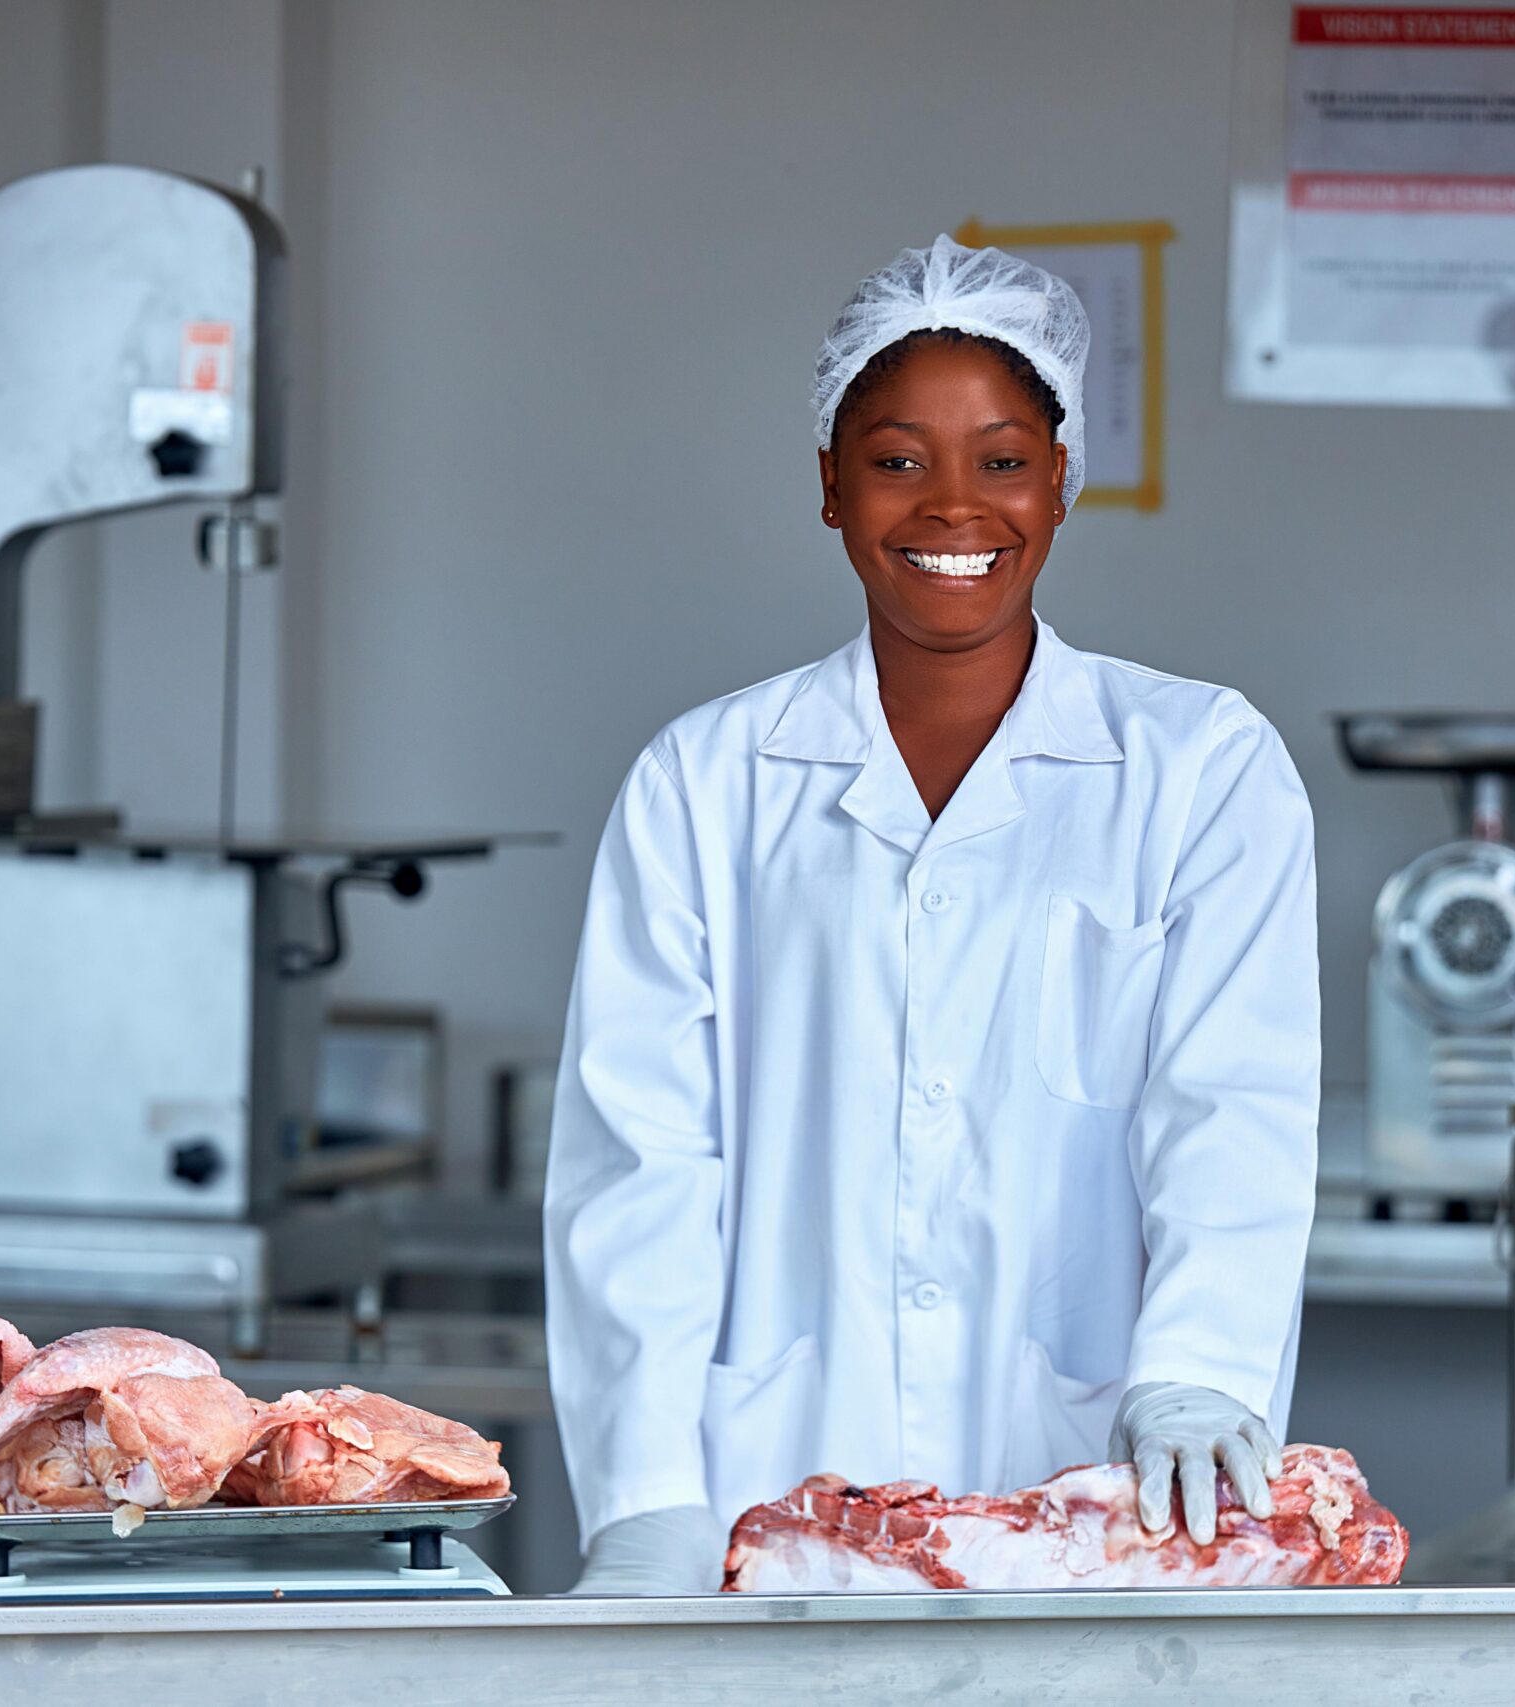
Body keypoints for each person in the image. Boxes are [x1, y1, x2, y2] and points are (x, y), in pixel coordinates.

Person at [546, 236, 1319, 1595]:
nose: (954, 506)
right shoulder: (707, 780)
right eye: (900, 459)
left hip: (1092, 1504)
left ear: (1064, 481)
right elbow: (642, 1165)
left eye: (1004, 458)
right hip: (764, 1504)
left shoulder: (1202, 766)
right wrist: (646, 1495)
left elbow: (1233, 1106)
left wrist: (1198, 1371)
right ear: (831, 490)